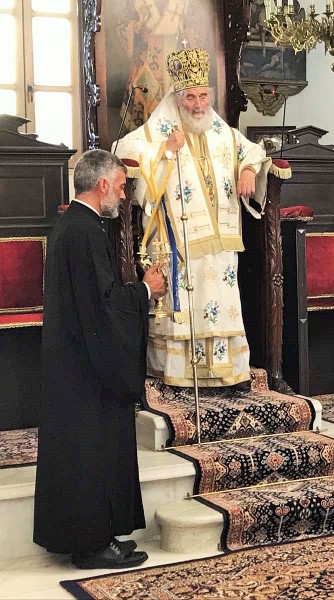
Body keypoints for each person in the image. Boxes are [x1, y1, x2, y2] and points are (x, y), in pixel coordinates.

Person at [33, 150, 167, 568]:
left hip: (74, 362)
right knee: (90, 452)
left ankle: (96, 537)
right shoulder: (86, 231)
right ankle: (91, 545)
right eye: (122, 187)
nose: (124, 197)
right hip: (88, 370)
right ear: (103, 184)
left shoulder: (73, 226)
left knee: (85, 451)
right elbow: (104, 306)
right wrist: (146, 290)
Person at [116, 47, 271, 389]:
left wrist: (247, 169)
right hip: (178, 240)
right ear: (177, 97)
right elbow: (123, 150)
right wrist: (164, 151)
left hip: (221, 242)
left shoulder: (220, 130)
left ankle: (226, 373)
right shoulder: (159, 129)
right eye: (190, 97)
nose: (199, 105)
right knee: (188, 302)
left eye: (203, 96)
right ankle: (181, 376)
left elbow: (252, 150)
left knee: (222, 301)